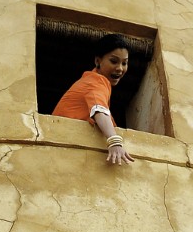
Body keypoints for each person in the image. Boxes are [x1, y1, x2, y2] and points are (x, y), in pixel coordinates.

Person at [52, 33, 135, 166]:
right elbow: (99, 110)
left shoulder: (95, 82)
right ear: (98, 61)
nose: (120, 68)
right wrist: (114, 141)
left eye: (124, 63)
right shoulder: (95, 82)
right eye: (114, 61)